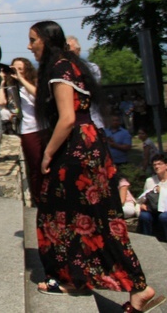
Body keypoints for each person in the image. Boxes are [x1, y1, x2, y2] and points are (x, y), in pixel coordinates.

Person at [29, 20, 164, 313]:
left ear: (47, 41)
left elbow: (66, 119)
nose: (30, 46)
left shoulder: (60, 68)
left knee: (66, 215)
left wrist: (47, 155)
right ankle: (76, 277)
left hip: (75, 148)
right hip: (88, 145)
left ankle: (138, 287)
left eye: (33, 40)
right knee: (80, 216)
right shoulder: (72, 64)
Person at [0, 57, 44, 204]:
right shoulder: (12, 87)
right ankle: (38, 198)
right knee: (34, 166)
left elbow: (38, 95)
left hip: (42, 127)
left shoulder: (34, 81)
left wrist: (22, 79)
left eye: (20, 69)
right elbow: (1, 102)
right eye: (14, 69)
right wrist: (3, 81)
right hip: (27, 129)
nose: (16, 72)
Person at [137, 154, 167, 240]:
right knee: (144, 216)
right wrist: (142, 205)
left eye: (159, 164)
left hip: (165, 210)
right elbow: (143, 198)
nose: (157, 166)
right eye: (154, 165)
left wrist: (162, 191)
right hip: (152, 209)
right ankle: (147, 241)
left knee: (163, 217)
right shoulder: (150, 181)